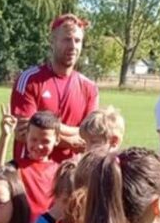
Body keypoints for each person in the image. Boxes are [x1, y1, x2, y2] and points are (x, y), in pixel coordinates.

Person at [11, 15, 98, 163]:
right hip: (31, 171)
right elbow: (24, 131)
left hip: (70, 173)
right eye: (67, 39)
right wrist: (70, 140)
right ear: (52, 41)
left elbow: (91, 136)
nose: (73, 46)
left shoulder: (89, 87)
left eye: (77, 41)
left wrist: (47, 128)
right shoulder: (29, 80)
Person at [0, 108, 61, 218]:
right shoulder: (17, 167)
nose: (39, 146)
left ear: (57, 140)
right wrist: (5, 136)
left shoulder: (60, 171)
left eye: (45, 141)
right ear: (26, 136)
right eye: (34, 139)